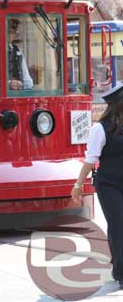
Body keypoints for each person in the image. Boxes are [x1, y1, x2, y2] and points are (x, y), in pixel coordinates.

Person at [72, 83, 123, 289]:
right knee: (119, 224)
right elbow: (90, 160)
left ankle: (117, 262)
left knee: (118, 225)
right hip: (109, 184)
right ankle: (121, 272)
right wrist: (78, 185)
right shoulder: (100, 129)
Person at [0, 18, 33, 90]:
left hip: (17, 93)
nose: (10, 35)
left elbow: (25, 73)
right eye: (7, 31)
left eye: (12, 32)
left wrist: (29, 86)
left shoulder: (17, 49)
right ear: (0, 32)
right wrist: (8, 83)